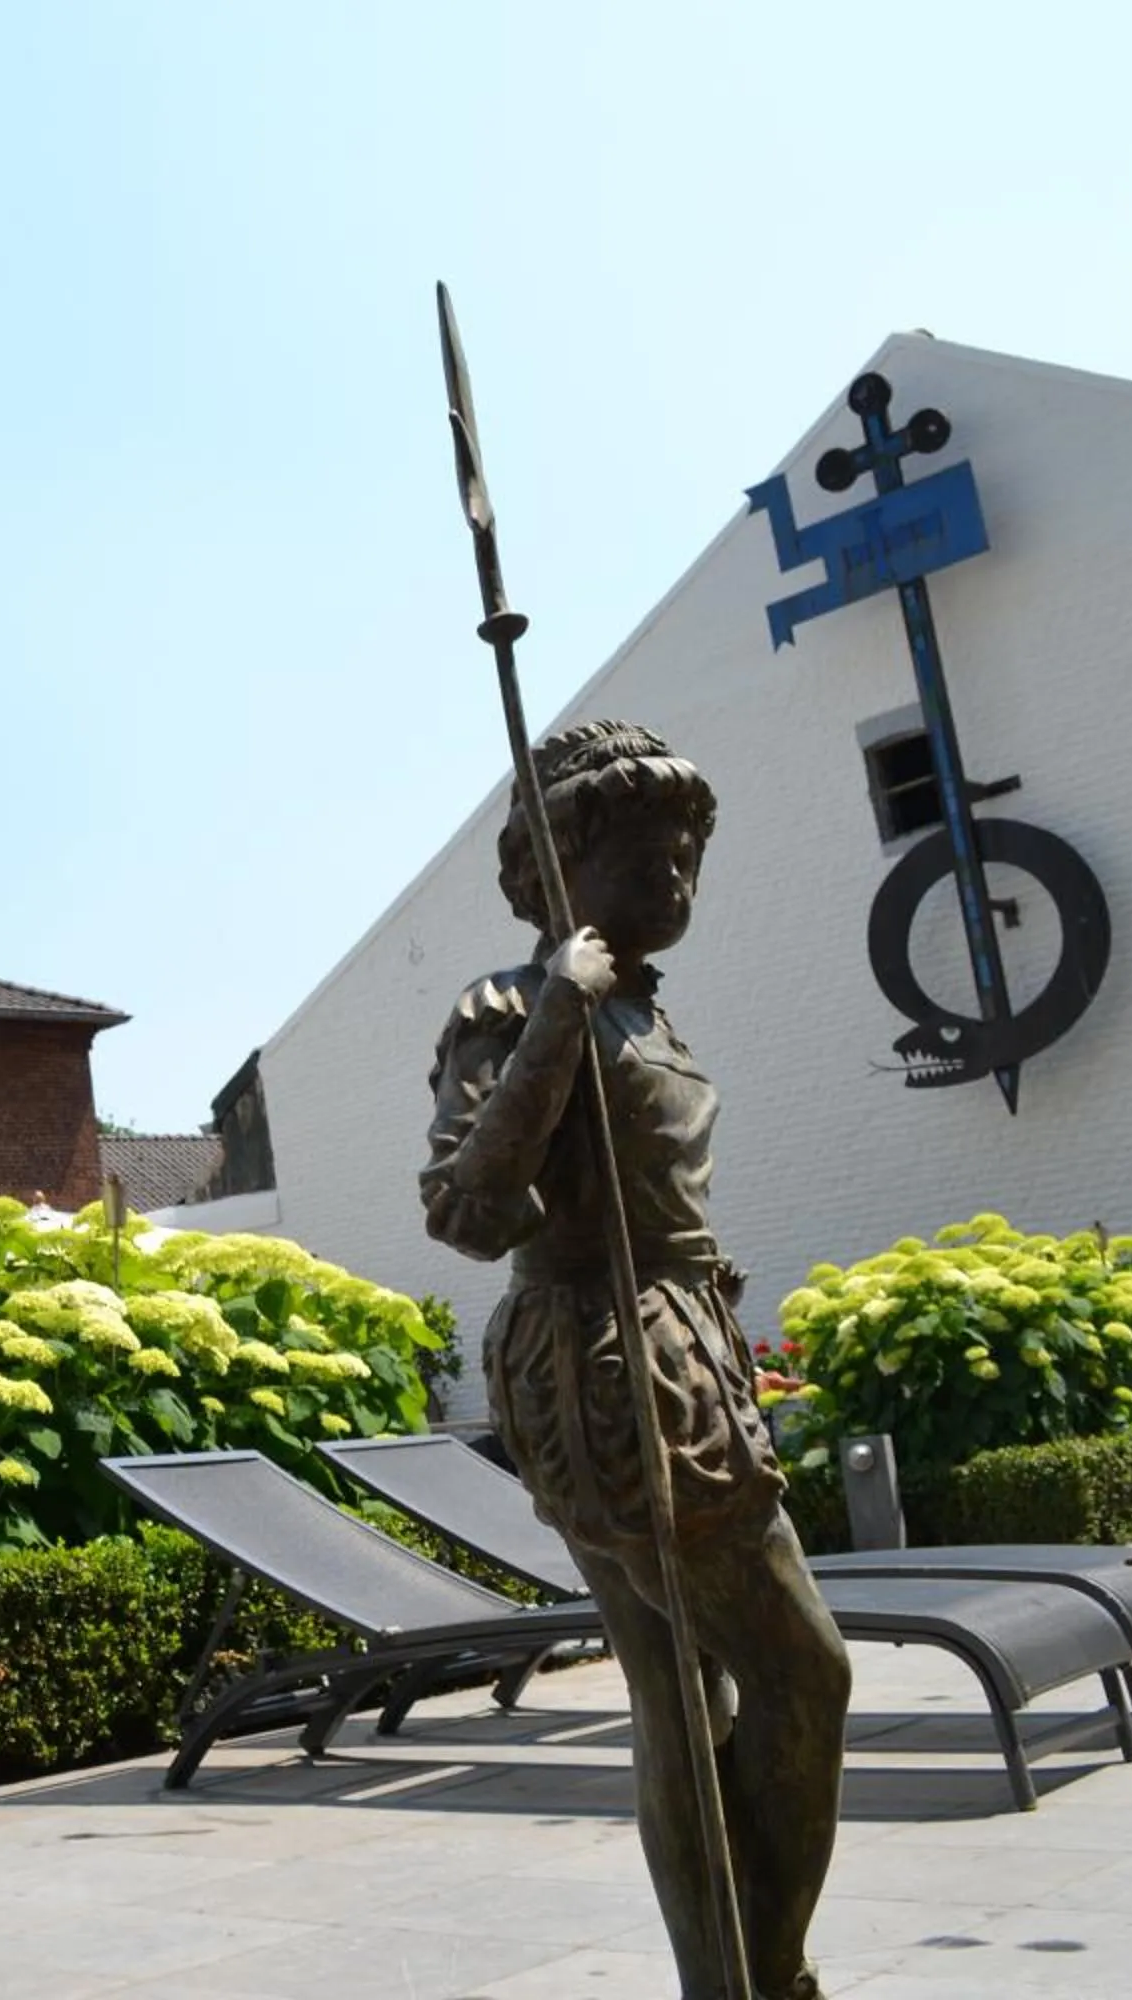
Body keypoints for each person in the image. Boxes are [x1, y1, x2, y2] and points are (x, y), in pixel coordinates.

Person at [421, 720, 847, 2000]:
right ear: (557, 863)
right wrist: (557, 1007)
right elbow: (466, 1210)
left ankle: (736, 1979)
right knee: (799, 1670)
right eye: (645, 851)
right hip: (614, 1367)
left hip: (679, 1349)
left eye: (688, 852)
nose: (676, 875)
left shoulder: (651, 1006)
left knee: (679, 1688)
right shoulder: (512, 1007)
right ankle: (767, 1973)